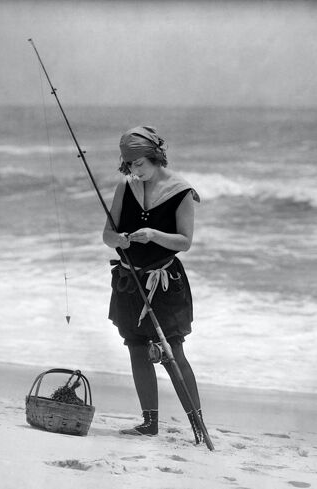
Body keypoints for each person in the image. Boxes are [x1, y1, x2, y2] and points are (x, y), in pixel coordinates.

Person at [103, 126, 204, 442]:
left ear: (156, 157)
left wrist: (155, 235)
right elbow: (107, 235)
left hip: (164, 282)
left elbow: (185, 242)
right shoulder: (126, 187)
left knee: (172, 351)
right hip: (128, 280)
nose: (134, 170)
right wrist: (117, 239)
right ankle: (149, 423)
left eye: (139, 164)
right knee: (136, 348)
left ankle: (198, 425)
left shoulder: (182, 191)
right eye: (130, 164)